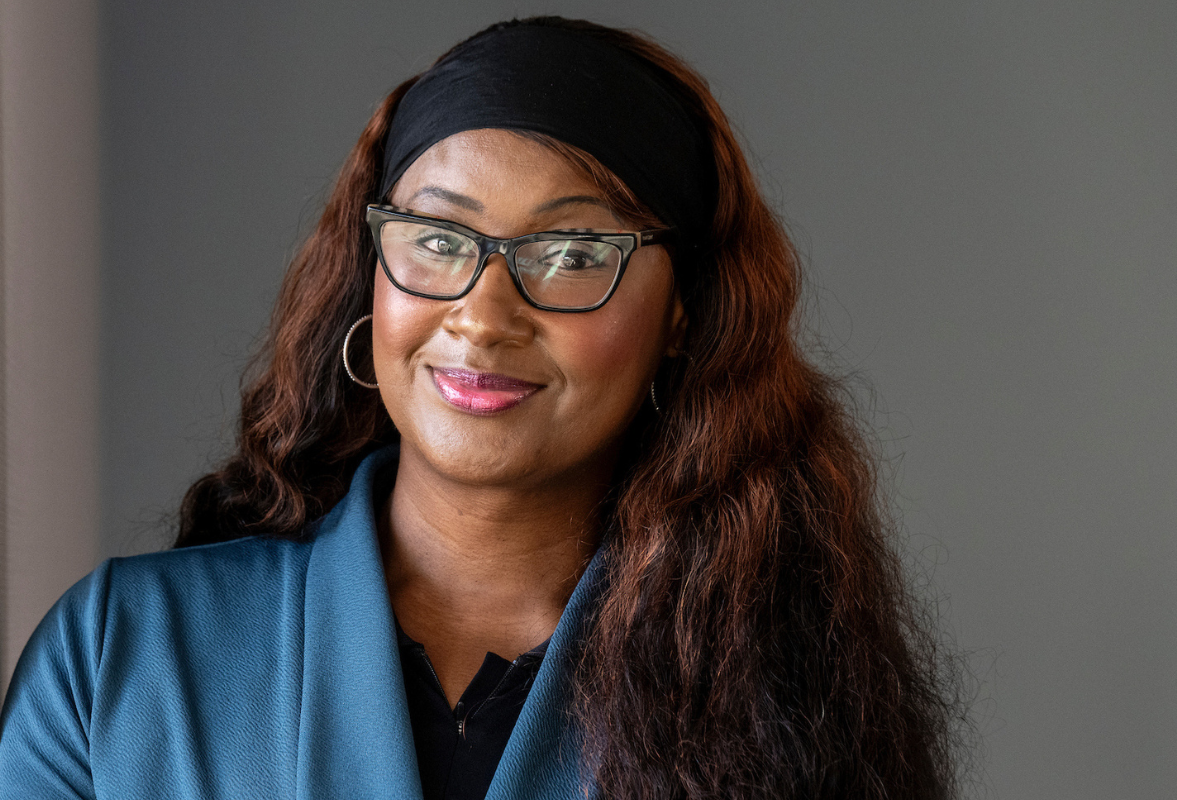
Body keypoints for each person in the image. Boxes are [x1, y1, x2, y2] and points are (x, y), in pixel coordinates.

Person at [0, 16, 961, 800]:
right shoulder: (119, 659)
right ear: (369, 272)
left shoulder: (785, 702)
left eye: (575, 254)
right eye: (437, 237)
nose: (482, 315)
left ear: (683, 315)